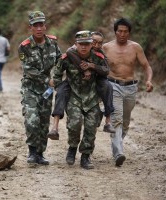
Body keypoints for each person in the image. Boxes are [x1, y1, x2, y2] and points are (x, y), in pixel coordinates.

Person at [52, 30, 108, 169]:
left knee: (91, 127)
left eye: (87, 44)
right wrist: (61, 89)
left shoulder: (98, 57)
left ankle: (85, 156)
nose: (84, 47)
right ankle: (72, 148)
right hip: (74, 96)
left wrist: (93, 68)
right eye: (81, 44)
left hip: (92, 97)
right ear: (75, 44)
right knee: (74, 124)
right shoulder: (66, 58)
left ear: (91, 44)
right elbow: (57, 74)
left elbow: (106, 70)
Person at [102, 18, 153, 167]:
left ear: (129, 33)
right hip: (113, 85)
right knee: (116, 119)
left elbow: (146, 66)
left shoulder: (136, 47)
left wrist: (149, 80)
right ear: (115, 32)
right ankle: (119, 153)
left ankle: (116, 145)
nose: (122, 34)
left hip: (130, 87)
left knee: (125, 123)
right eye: (119, 31)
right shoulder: (106, 47)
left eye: (125, 32)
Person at [47, 31, 115, 141]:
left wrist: (91, 66)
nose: (96, 45)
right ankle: (54, 127)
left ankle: (108, 121)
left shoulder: (98, 55)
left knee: (108, 86)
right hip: (73, 85)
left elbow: (106, 70)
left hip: (93, 86)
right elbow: (60, 70)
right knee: (61, 92)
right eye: (94, 42)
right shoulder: (71, 53)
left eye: (99, 43)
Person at [18, 11, 61, 165]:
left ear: (45, 26)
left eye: (41, 25)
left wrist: (56, 77)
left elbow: (60, 62)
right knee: (32, 120)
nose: (39, 28)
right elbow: (28, 69)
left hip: (47, 91)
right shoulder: (25, 47)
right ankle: (32, 151)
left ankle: (40, 154)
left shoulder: (53, 43)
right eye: (35, 25)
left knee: (43, 121)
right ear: (30, 27)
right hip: (30, 88)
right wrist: (46, 79)